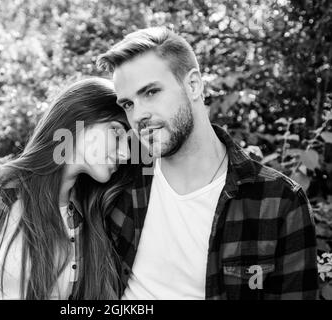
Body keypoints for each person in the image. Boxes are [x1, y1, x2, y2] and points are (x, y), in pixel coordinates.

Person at [97, 27, 318, 300]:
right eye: (128, 104)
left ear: (193, 85)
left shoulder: (279, 200)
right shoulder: (120, 180)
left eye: (152, 92)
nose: (139, 114)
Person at [0, 77, 132, 300]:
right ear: (78, 120)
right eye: (117, 133)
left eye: (129, 142)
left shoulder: (95, 212)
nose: (126, 154)